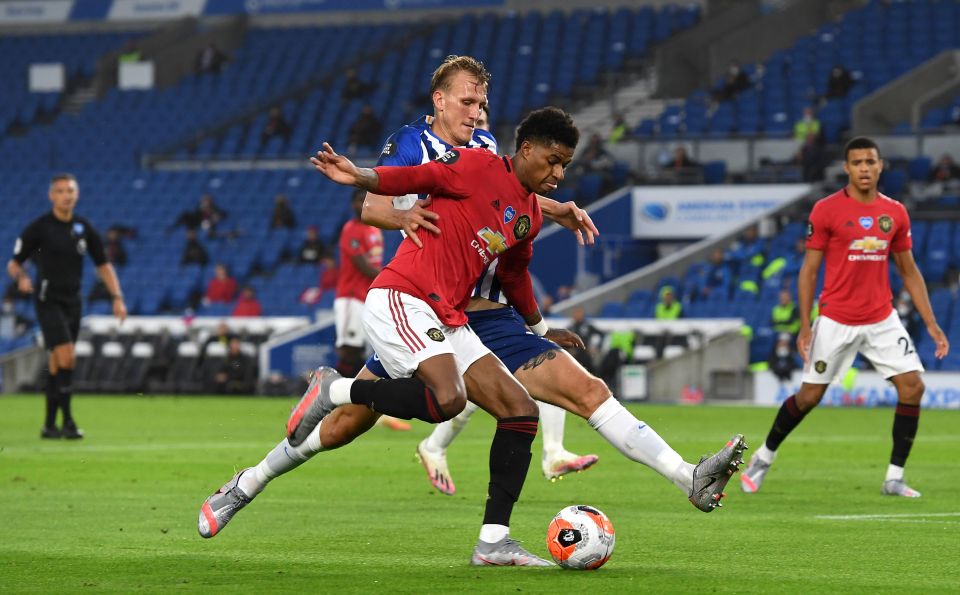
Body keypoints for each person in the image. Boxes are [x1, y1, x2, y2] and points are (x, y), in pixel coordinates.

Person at [199, 105, 581, 567]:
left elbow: (515, 252)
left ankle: (493, 542)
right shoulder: (450, 155)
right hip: (404, 297)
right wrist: (360, 175)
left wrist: (540, 328)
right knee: (447, 399)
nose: (478, 109)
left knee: (516, 411)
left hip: (446, 316)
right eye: (469, 98)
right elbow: (407, 181)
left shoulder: (509, 187)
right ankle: (333, 389)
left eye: (482, 100)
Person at [740, 137, 950, 498]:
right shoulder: (826, 210)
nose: (864, 168)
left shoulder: (895, 213)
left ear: (880, 165)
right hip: (836, 319)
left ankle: (894, 477)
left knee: (913, 386)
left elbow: (909, 271)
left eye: (870, 161)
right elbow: (808, 271)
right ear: (847, 168)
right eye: (857, 163)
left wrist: (930, 323)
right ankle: (764, 456)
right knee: (808, 397)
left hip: (881, 317)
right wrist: (805, 325)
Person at [7, 173, 128, 439]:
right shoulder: (40, 228)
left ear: (77, 194)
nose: (66, 195)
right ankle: (69, 423)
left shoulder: (83, 229)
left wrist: (117, 297)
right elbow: (14, 263)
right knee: (67, 356)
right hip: (47, 299)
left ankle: (49, 425)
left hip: (73, 301)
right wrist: (22, 278)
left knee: (56, 361)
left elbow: (104, 265)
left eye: (70, 191)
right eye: (61, 191)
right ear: (52, 195)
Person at [335, 190, 409, 432]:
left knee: (368, 351)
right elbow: (362, 265)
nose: (361, 204)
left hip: (367, 297)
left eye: (363, 200)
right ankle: (336, 401)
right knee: (349, 350)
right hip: (350, 298)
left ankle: (352, 402)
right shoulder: (351, 229)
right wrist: (394, 277)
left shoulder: (374, 228)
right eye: (357, 200)